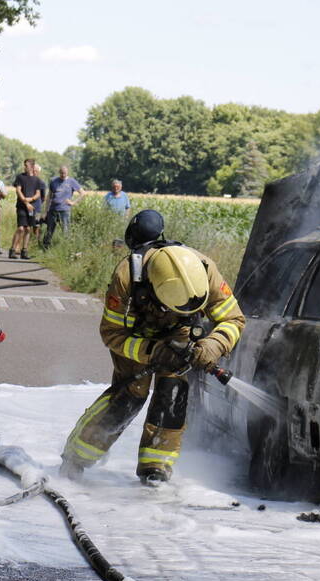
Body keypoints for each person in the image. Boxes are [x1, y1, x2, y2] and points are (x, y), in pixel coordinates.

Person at [59, 210, 245, 486]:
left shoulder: (203, 268)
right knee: (129, 395)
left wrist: (213, 345)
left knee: (172, 396)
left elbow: (233, 319)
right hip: (136, 338)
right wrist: (153, 351)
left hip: (181, 335)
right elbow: (112, 333)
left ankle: (155, 469)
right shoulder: (127, 276)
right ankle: (76, 458)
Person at [42, 165, 84, 248]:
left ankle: (66, 248)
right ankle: (45, 248)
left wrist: (73, 202)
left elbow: (82, 193)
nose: (63, 175)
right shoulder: (53, 181)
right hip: (53, 209)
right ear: (59, 172)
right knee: (49, 230)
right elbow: (49, 196)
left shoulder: (72, 181)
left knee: (65, 231)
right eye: (61, 173)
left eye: (64, 173)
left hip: (64, 210)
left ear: (67, 172)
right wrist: (45, 211)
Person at [10, 158, 40, 259]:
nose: (24, 167)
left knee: (28, 229)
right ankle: (12, 250)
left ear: (31, 167)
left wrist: (31, 199)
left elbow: (38, 193)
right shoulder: (20, 177)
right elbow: (18, 190)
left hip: (31, 208)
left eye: (26, 166)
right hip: (21, 207)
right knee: (21, 228)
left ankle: (24, 250)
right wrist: (26, 202)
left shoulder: (36, 180)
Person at [30, 163, 47, 248]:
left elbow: (43, 197)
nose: (34, 172)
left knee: (36, 226)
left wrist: (37, 203)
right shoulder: (27, 181)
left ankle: (36, 244)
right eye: (33, 171)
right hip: (27, 207)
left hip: (37, 208)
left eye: (36, 171)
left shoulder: (42, 183)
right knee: (26, 227)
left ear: (38, 172)